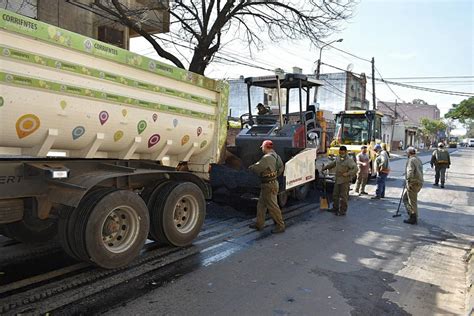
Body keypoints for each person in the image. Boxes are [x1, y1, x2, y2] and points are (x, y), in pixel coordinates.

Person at [248, 140, 285, 233]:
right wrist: (274, 174)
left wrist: (250, 167)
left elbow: (257, 168)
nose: (262, 149)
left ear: (265, 147)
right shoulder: (276, 156)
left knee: (273, 206)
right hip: (271, 183)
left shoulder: (267, 158)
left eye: (262, 148)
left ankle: (280, 225)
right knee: (261, 205)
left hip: (269, 185)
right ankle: (259, 224)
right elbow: (281, 168)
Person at [321, 146, 357, 216]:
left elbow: (355, 169)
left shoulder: (349, 160)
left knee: (343, 197)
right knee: (335, 195)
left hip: (345, 180)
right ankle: (335, 208)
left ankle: (343, 211)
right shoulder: (338, 157)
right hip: (338, 179)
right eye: (340, 153)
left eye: (342, 153)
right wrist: (325, 168)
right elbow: (333, 163)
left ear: (345, 152)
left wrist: (348, 173)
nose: (341, 154)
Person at [403, 147, 424, 225]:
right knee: (406, 198)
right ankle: (412, 214)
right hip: (419, 182)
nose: (406, 154)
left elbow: (410, 172)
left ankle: (413, 217)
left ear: (409, 153)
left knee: (412, 201)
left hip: (413, 183)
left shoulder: (411, 160)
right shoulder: (418, 159)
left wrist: (408, 181)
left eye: (407, 153)